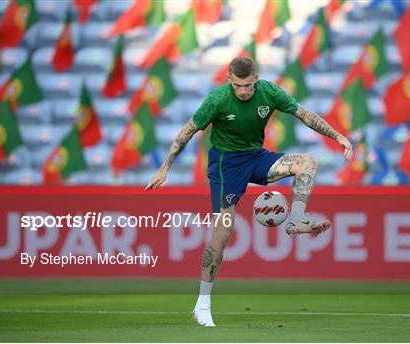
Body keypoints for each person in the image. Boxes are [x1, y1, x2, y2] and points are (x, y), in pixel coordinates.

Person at [145, 57, 352, 327]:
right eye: (238, 85)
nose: (243, 91)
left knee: (307, 163)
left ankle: (296, 220)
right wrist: (165, 168)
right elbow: (187, 132)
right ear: (230, 80)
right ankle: (202, 304)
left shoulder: (270, 91)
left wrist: (338, 136)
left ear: (256, 79)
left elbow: (304, 114)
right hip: (225, 165)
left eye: (248, 85)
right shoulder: (217, 99)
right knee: (222, 235)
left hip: (255, 157)